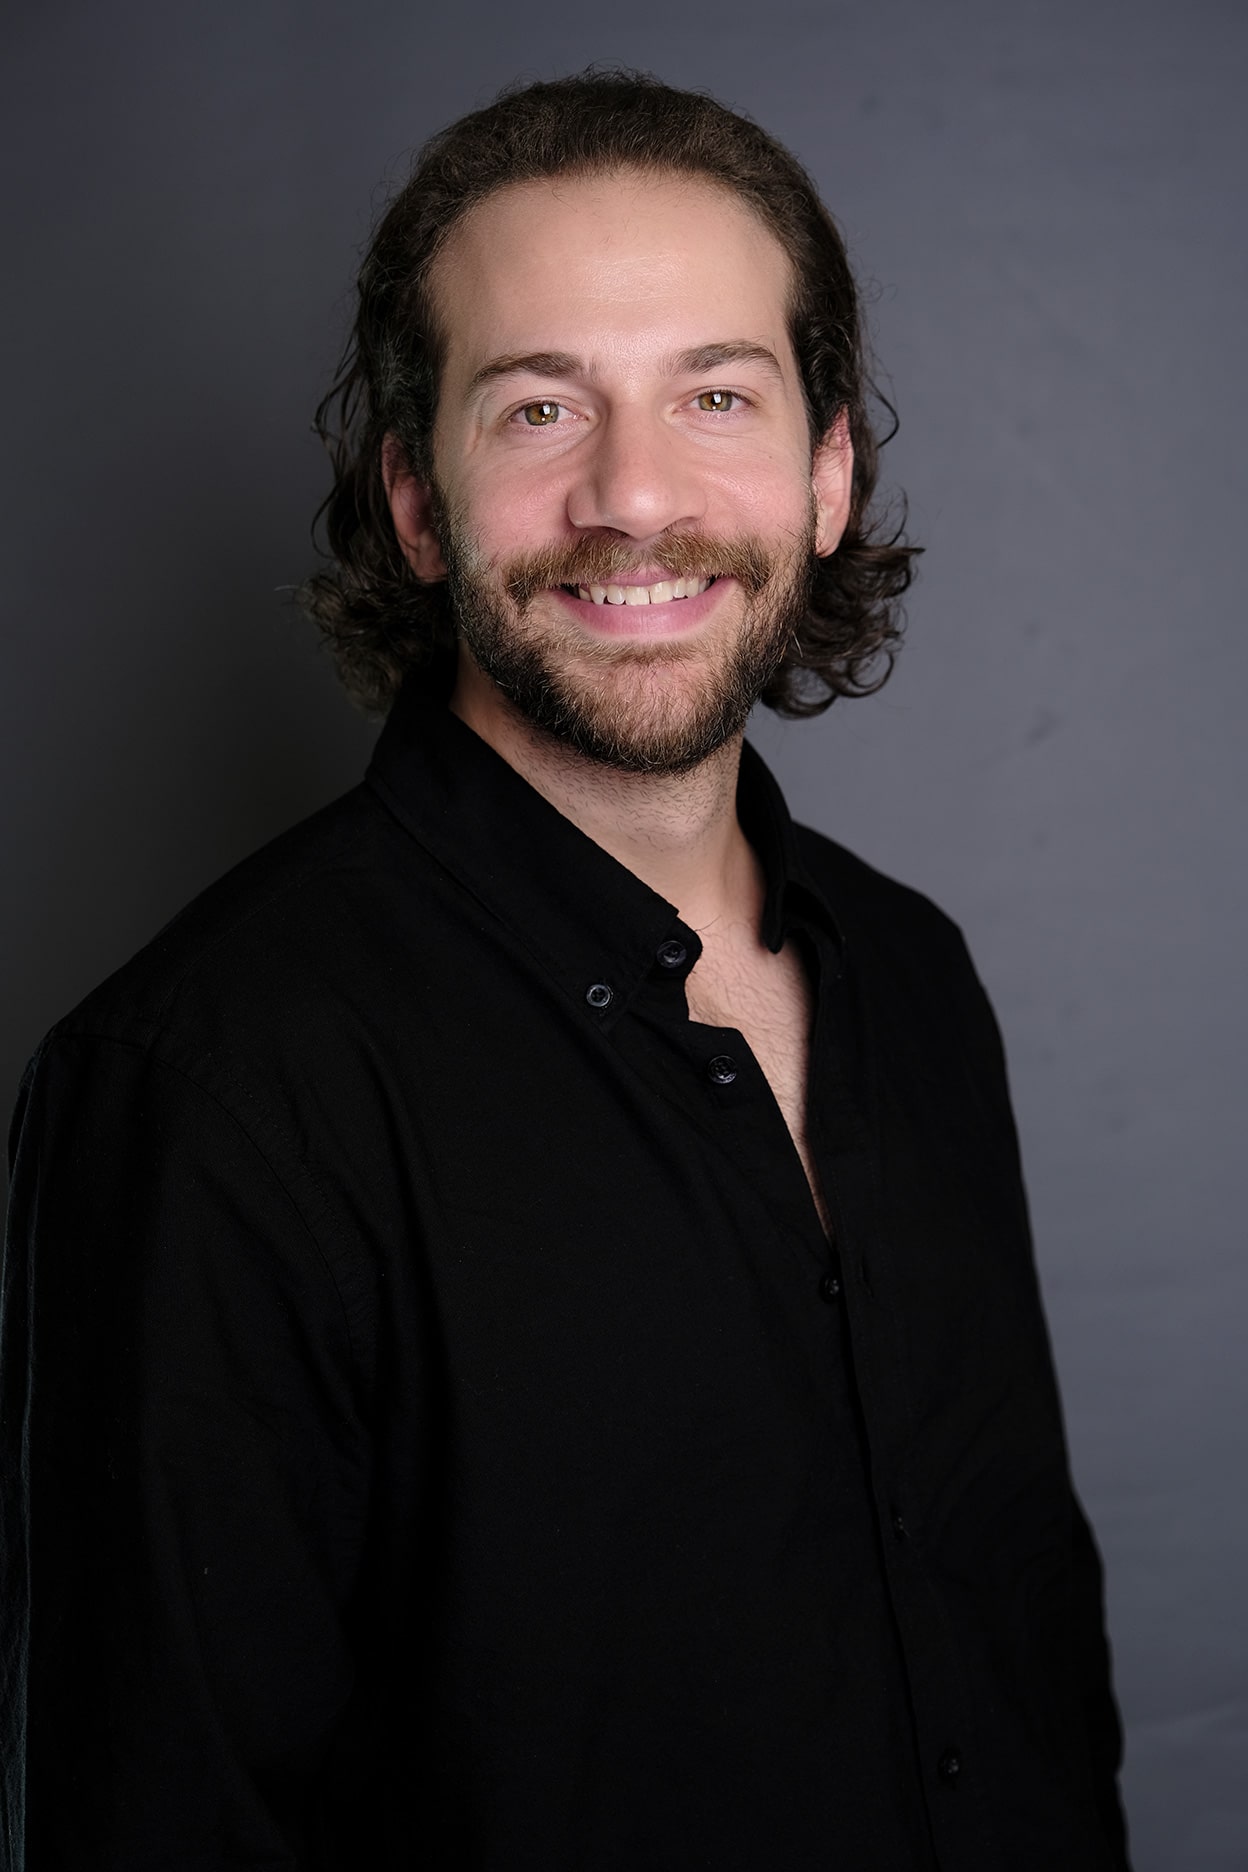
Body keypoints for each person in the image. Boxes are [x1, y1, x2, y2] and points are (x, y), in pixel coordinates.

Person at [1, 70, 1130, 1872]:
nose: (635, 494)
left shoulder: (914, 979)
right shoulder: (209, 1082)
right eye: (540, 407)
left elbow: (1028, 1657)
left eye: (715, 395)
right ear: (416, 501)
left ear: (827, 474)